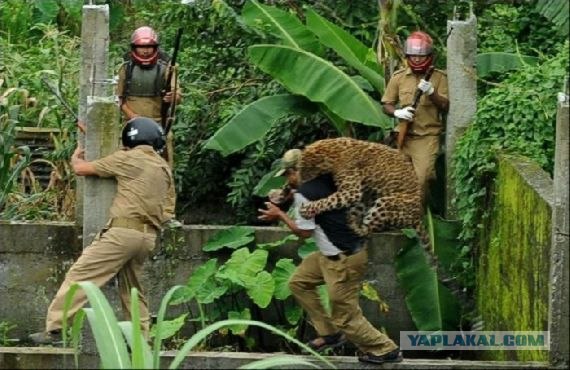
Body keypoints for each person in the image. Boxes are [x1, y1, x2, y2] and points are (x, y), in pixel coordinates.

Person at [29, 117, 173, 345]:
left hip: (122, 233)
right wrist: (91, 130)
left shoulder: (127, 159)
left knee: (81, 275)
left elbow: (81, 169)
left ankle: (56, 329)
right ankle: (142, 339)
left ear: (129, 139)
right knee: (133, 290)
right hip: (147, 237)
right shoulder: (163, 167)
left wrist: (76, 156)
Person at [258, 149, 403, 365]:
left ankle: (385, 349)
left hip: (343, 260)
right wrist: (285, 193)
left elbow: (304, 232)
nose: (288, 180)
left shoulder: (304, 195)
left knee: (345, 316)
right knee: (299, 282)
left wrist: (278, 214)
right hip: (332, 254)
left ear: (297, 171)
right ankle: (329, 333)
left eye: (288, 174)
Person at [116, 26, 182, 227]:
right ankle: (130, 213)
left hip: (158, 127)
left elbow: (177, 95)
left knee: (163, 170)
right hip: (133, 128)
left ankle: (167, 214)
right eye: (141, 47)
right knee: (129, 170)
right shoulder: (125, 69)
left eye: (149, 47)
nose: (145, 51)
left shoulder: (167, 68)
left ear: (155, 48)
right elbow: (118, 99)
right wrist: (132, 116)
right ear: (134, 47)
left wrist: (172, 97)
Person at [381, 30, 449, 200]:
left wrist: (432, 92)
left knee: (422, 179)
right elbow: (386, 104)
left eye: (421, 56)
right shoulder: (399, 77)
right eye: (413, 56)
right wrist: (397, 112)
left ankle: (419, 215)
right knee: (395, 179)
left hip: (426, 137)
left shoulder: (439, 77)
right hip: (403, 135)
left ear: (429, 56)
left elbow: (446, 105)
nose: (417, 59)